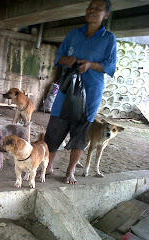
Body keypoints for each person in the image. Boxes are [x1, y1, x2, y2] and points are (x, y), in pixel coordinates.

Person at [44, 0, 117, 184]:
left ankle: (70, 171)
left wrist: (91, 65)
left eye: (98, 9)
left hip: (91, 92)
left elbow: (110, 66)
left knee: (82, 132)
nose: (92, 11)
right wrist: (67, 60)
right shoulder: (74, 34)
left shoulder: (108, 39)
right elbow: (59, 57)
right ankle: (48, 166)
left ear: (106, 15)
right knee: (54, 129)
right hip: (67, 90)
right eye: (90, 8)